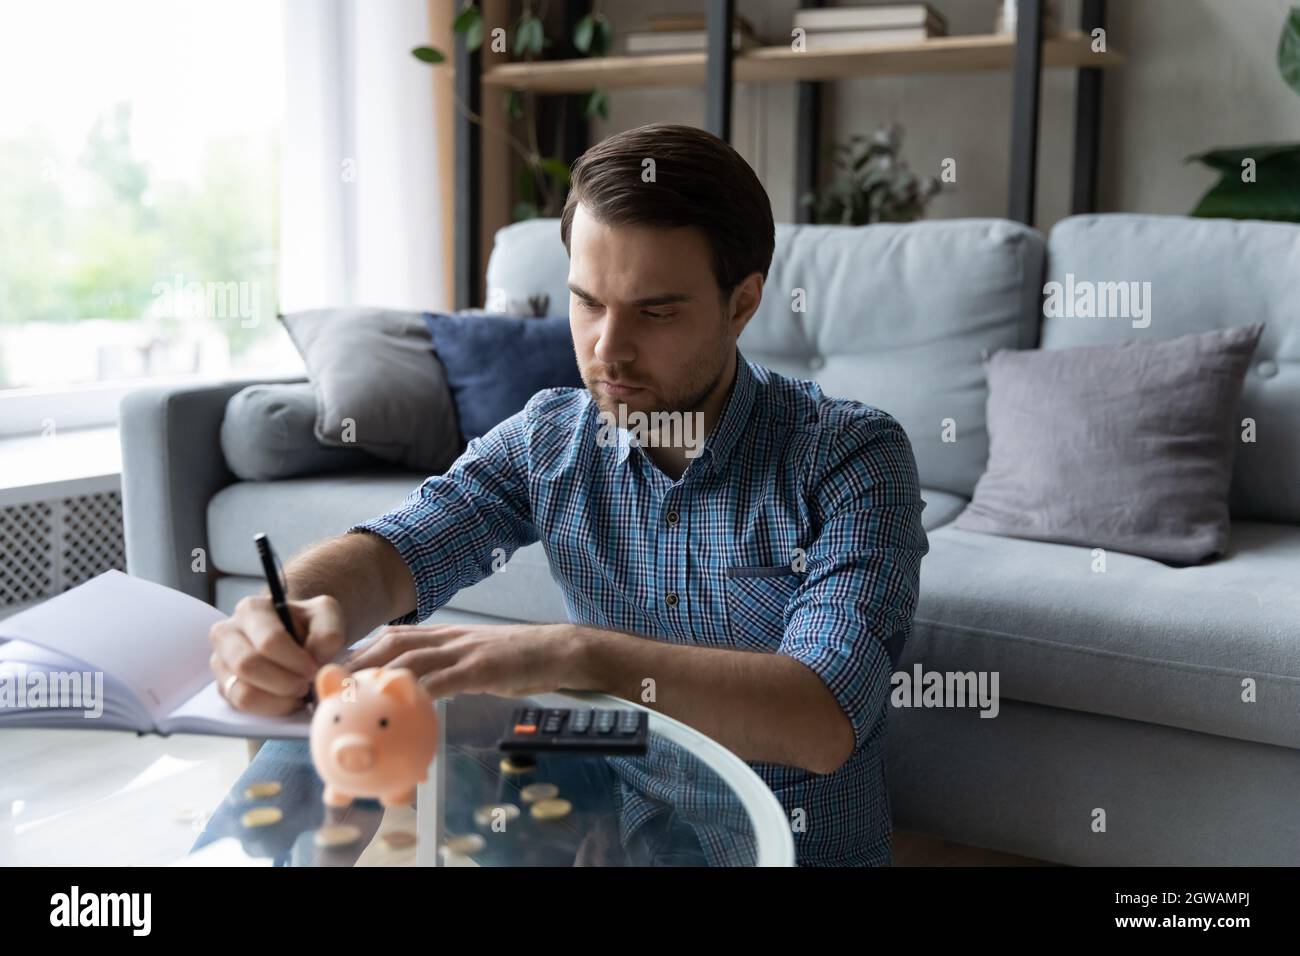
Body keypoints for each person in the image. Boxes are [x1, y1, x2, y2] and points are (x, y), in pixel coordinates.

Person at [207, 122, 930, 866]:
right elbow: (400, 549)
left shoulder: (850, 456)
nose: (607, 350)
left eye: (654, 312)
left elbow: (821, 720)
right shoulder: (552, 436)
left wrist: (569, 653)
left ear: (741, 303)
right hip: (596, 814)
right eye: (587, 303)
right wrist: (296, 609)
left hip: (776, 841)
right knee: (328, 738)